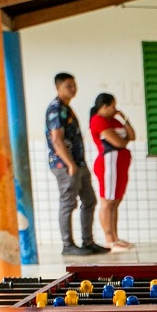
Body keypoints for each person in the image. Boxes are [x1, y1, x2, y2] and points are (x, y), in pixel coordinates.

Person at [46, 73, 107, 256]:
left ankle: (87, 242)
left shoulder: (67, 108)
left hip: (79, 163)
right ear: (58, 87)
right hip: (65, 166)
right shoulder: (55, 109)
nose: (73, 89)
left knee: (89, 200)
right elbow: (57, 140)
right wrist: (70, 164)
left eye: (74, 85)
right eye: (68, 86)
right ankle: (68, 245)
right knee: (68, 203)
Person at [88, 92, 135, 252]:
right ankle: (109, 240)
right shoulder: (97, 120)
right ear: (104, 107)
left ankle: (115, 237)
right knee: (107, 202)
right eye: (113, 106)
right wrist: (124, 141)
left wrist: (124, 118)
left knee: (115, 201)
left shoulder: (114, 120)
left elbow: (131, 136)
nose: (115, 109)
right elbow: (118, 142)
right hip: (108, 163)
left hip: (120, 164)